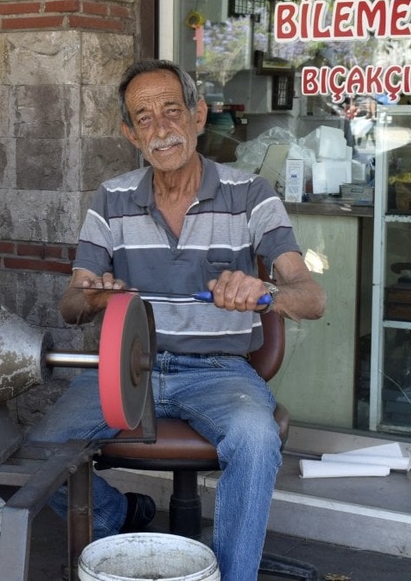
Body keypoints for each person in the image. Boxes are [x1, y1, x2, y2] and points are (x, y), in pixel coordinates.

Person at [28, 59, 326, 581]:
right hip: (125, 370)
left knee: (255, 440)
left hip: (220, 372)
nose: (161, 128)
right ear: (129, 133)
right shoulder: (112, 200)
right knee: (34, 453)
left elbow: (312, 297)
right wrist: (95, 297)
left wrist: (267, 291)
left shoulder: (251, 194)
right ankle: (116, 516)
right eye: (144, 118)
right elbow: (70, 306)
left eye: (172, 110)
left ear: (198, 115)